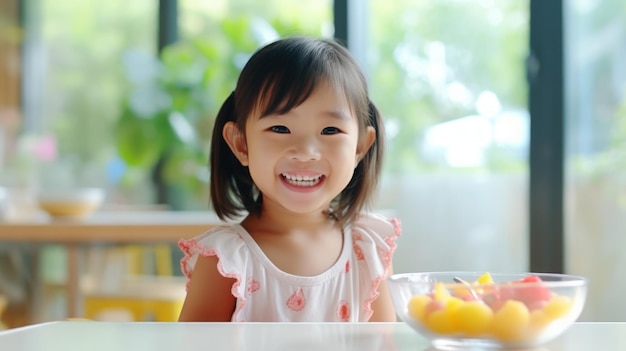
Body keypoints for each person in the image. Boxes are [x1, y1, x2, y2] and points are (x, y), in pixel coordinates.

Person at [177, 36, 401, 322]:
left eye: (330, 130)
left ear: (360, 146)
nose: (306, 153)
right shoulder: (225, 261)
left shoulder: (369, 248)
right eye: (280, 128)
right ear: (241, 144)